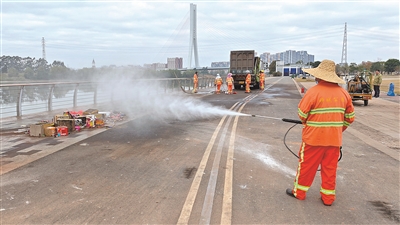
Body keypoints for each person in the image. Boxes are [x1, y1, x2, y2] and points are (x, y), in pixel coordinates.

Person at [286, 59, 355, 206]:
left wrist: (309, 123)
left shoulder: (313, 92)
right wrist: (337, 129)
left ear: (319, 76)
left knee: (306, 166)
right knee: (330, 169)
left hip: (313, 140)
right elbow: (350, 118)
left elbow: (302, 114)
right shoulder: (344, 94)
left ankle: (299, 193)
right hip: (334, 141)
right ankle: (328, 198)